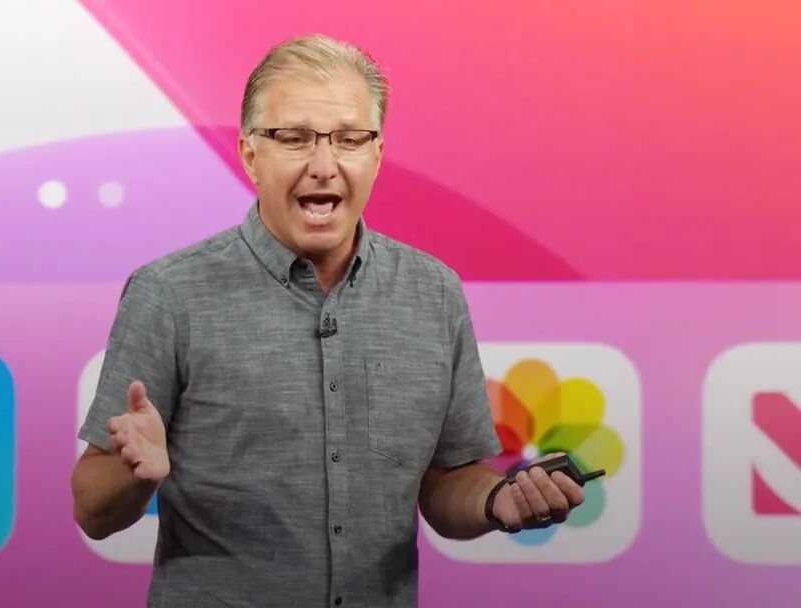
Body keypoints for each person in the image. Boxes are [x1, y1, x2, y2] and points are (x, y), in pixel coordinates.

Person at [71, 34, 586, 607]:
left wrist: (497, 502)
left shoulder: (434, 293)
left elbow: (447, 481)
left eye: (349, 138)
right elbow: (92, 508)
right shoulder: (169, 293)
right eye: (294, 138)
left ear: (377, 154)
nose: (323, 166)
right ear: (250, 155)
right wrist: (134, 474)